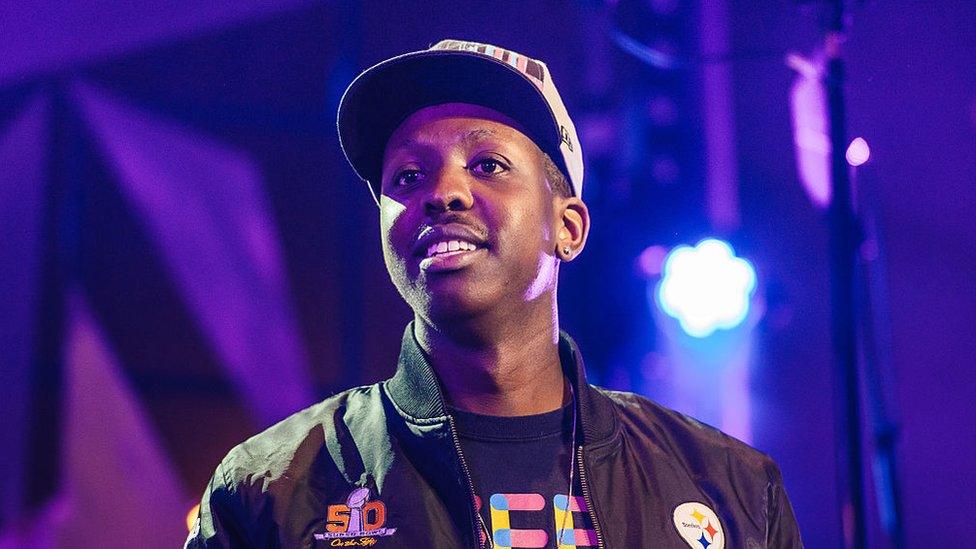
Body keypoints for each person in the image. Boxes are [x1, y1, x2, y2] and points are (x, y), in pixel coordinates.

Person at [186, 39, 803, 548]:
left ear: (567, 227)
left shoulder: (732, 490)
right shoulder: (272, 491)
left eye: (487, 165)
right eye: (407, 176)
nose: (441, 193)